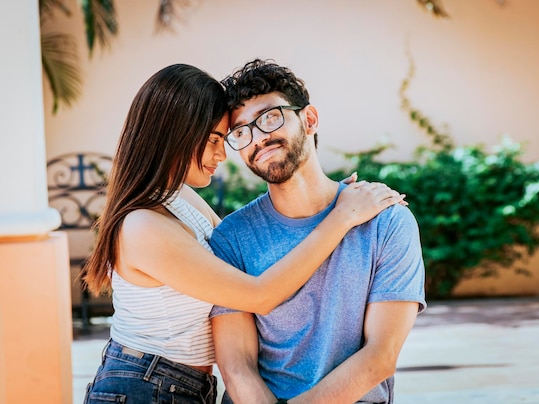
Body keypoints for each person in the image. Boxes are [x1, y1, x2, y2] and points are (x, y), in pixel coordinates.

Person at [80, 63, 407, 404]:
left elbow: (243, 252)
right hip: (144, 386)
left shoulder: (178, 198)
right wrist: (342, 217)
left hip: (181, 384)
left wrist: (336, 200)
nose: (222, 155)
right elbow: (259, 294)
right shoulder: (143, 226)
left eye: (224, 139)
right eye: (212, 140)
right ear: (173, 133)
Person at [209, 59, 427, 404]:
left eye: (269, 118)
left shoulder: (387, 222)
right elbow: (237, 366)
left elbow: (381, 357)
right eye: (242, 131)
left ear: (309, 120)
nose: (259, 138)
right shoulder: (231, 237)